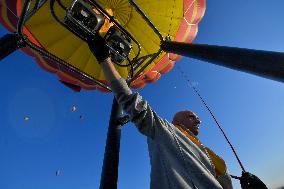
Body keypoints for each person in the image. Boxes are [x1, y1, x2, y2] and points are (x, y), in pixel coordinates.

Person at [88, 35, 233, 189]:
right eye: (192, 117)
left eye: (197, 118)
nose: (198, 121)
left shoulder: (207, 154)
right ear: (177, 122)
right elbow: (131, 102)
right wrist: (104, 59)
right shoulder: (166, 131)